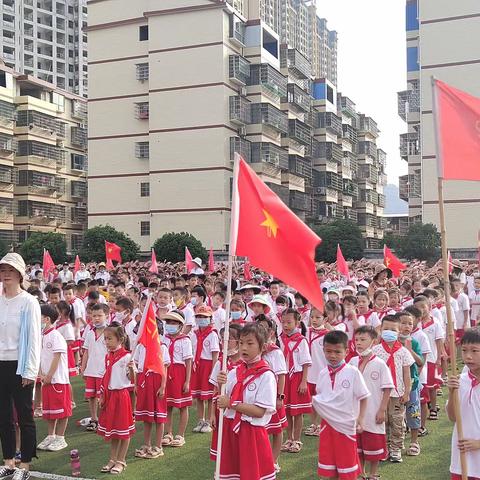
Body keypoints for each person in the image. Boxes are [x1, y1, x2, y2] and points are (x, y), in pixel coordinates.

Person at [216, 323, 277, 480]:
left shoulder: (266, 375)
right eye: (241, 343)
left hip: (251, 434)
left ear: (262, 347)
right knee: (232, 475)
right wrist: (220, 384)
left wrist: (231, 403)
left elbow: (259, 411)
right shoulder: (234, 372)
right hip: (231, 431)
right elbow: (222, 399)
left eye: (250, 343)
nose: (244, 347)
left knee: (251, 474)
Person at [0, 253, 41, 480]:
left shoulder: (29, 301)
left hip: (20, 364)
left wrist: (30, 370)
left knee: (24, 416)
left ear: (19, 274)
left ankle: (24, 465)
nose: (6, 275)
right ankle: (8, 461)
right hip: (0, 362)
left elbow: (34, 337)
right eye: (3, 270)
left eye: (10, 270)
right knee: (3, 416)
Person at [312, 330, 370, 480]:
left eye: (337, 352)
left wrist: (361, 419)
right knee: (330, 466)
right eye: (328, 351)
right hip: (327, 426)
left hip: (346, 425)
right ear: (323, 350)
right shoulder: (323, 373)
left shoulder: (353, 372)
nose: (332, 355)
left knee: (347, 467)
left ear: (347, 351)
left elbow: (364, 397)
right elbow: (321, 399)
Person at [351, 325, 393, 480]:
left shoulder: (380, 364)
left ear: (373, 342)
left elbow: (388, 388)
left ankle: (373, 473)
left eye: (363, 339)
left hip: (373, 410)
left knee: (373, 445)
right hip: (355, 412)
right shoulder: (352, 361)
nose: (359, 343)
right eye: (356, 340)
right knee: (358, 446)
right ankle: (361, 473)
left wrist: (382, 410)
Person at [372, 315, 414, 463]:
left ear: (399, 330)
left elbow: (407, 373)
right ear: (380, 330)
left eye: (393, 329)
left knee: (396, 421)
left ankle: (396, 449)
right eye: (386, 329)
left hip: (398, 393)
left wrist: (407, 391)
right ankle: (383, 448)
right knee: (381, 422)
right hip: (380, 394)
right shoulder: (375, 350)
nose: (389, 332)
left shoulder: (403, 351)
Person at [97, 323, 136, 475]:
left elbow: (132, 380)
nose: (106, 342)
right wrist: (102, 395)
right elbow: (105, 377)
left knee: (123, 430)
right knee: (113, 431)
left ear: (120, 339)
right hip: (109, 396)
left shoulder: (126, 357)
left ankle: (121, 460)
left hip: (121, 396)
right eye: (105, 339)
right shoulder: (108, 356)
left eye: (109, 339)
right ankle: (112, 458)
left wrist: (132, 368)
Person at [133, 320, 170, 459]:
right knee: (147, 416)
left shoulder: (162, 347)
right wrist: (136, 384)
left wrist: (163, 386)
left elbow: (164, 368)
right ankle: (146, 444)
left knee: (158, 416)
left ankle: (158, 446)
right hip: (144, 382)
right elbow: (137, 367)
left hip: (157, 381)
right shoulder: (140, 347)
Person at [37, 304, 71, 452]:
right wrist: (41, 374)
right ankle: (51, 435)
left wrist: (49, 375)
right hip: (46, 380)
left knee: (62, 410)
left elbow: (57, 357)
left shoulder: (56, 336)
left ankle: (61, 437)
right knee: (50, 411)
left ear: (46, 319)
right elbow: (39, 357)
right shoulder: (41, 336)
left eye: (38, 317)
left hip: (58, 380)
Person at [447, 328, 480, 480]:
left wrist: (478, 444)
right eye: (464, 350)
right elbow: (453, 417)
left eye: (474, 351)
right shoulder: (460, 380)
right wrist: (452, 391)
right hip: (461, 456)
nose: (468, 356)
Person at [279, 308, 312, 453]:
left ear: (297, 322)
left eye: (289, 322)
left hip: (297, 377)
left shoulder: (301, 340)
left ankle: (297, 440)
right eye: (283, 322)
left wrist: (304, 381)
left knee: (297, 412)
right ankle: (289, 438)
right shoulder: (281, 339)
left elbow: (305, 363)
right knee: (286, 410)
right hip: (285, 377)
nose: (285, 325)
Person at [258, 317, 287, 473]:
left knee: (276, 429)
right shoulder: (256, 349)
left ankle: (273, 461)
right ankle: (263, 459)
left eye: (264, 328)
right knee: (262, 429)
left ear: (271, 331)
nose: (261, 331)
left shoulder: (275, 352)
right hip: (258, 395)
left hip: (273, 395)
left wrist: (279, 397)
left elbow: (281, 375)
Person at [162, 310, 193, 448]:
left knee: (182, 406)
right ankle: (168, 433)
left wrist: (187, 381)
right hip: (167, 372)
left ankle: (180, 435)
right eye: (168, 322)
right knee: (167, 405)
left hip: (179, 373)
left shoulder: (185, 340)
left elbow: (188, 361)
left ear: (180, 325)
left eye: (173, 323)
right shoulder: (165, 339)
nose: (170, 325)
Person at [191, 305, 219, 434]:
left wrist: (213, 371)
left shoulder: (212, 334)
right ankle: (200, 420)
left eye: (205, 317)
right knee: (198, 396)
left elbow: (215, 354)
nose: (201, 319)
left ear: (210, 318)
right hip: (197, 365)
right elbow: (192, 351)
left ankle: (208, 420)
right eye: (199, 316)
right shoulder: (194, 334)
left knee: (208, 396)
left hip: (208, 366)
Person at [80, 303, 108, 433]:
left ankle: (104, 420)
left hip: (104, 371)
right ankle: (94, 418)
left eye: (99, 316)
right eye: (94, 316)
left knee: (103, 397)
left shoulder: (109, 332)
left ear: (107, 316)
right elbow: (86, 351)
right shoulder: (90, 332)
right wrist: (83, 367)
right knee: (91, 396)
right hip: (91, 370)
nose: (96, 318)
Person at [305, 307, 328, 437]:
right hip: (309, 373)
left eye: (318, 317)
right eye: (312, 317)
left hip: (322, 372)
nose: (314, 320)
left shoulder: (327, 335)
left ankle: (321, 424)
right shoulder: (306, 332)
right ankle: (314, 424)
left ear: (325, 319)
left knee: (321, 401)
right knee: (312, 401)